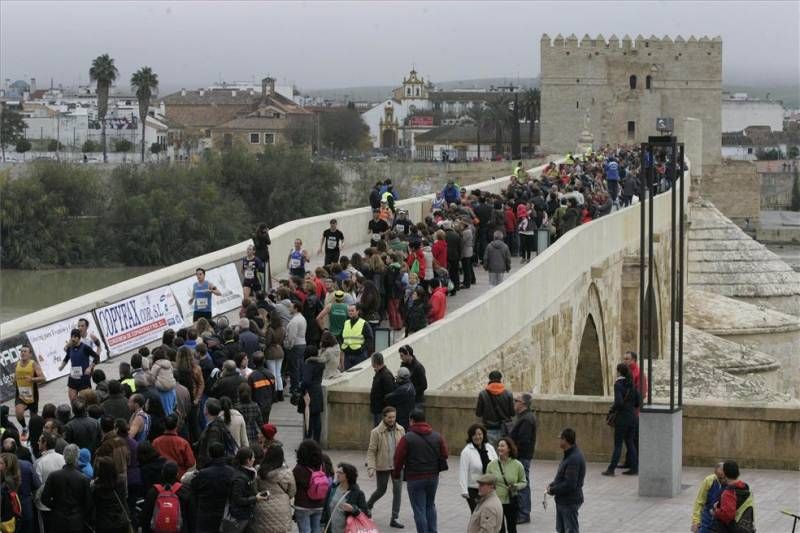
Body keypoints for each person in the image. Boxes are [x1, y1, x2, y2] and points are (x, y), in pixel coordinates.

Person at [393, 409, 448, 533]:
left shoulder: (407, 438)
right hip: (433, 477)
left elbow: (398, 458)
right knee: (430, 505)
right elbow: (444, 454)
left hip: (415, 478)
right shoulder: (437, 436)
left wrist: (396, 474)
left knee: (419, 509)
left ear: (412, 421)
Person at [366, 406, 405, 529]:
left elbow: (405, 449)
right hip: (383, 465)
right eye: (389, 417)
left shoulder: (401, 429)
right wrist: (371, 467)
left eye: (394, 417)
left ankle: (395, 518)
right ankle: (368, 506)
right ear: (384, 417)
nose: (392, 419)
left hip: (397, 466)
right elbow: (371, 451)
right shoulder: (376, 432)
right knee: (381, 490)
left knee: (398, 491)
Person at [40, 444, 92, 533]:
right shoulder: (83, 478)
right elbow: (88, 503)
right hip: (76, 520)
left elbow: (44, 498)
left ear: (64, 456)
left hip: (57, 519)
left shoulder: (54, 476)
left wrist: (55, 507)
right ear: (77, 457)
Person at [546, 428, 586, 533]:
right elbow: (563, 477)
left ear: (565, 440)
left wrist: (553, 490)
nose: (559, 441)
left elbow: (570, 484)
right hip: (563, 500)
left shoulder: (574, 458)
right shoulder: (569, 455)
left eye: (560, 439)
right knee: (561, 529)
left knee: (570, 530)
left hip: (569, 502)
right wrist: (552, 484)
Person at [602, 363, 638, 476]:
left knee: (618, 445)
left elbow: (618, 402)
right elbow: (638, 402)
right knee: (630, 443)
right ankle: (634, 468)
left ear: (619, 372)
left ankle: (611, 469)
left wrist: (613, 408)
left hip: (622, 419)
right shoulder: (631, 384)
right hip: (632, 417)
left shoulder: (618, 384)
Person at [191, 442, 235, 533]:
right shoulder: (231, 472)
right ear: (224, 453)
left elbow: (194, 487)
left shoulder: (203, 473)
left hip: (204, 511)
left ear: (210, 454)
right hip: (223, 511)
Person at [251, 445, 296, 533]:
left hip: (262, 507)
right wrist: (284, 497)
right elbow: (292, 492)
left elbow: (254, 488)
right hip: (282, 509)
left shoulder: (258, 470)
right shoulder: (287, 473)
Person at [486, 437, 526, 533]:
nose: (499, 448)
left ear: (509, 448)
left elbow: (524, 482)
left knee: (512, 528)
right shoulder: (491, 465)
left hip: (511, 501)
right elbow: (486, 482)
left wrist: (516, 486)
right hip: (496, 502)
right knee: (499, 529)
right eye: (498, 446)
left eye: (502, 446)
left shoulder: (517, 465)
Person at [139, 461, 191, 533]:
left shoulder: (153, 491)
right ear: (177, 474)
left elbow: (145, 515)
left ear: (162, 473)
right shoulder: (185, 492)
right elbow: (191, 516)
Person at [509, 393, 536, 524]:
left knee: (523, 485)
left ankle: (524, 514)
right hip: (521, 456)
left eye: (516, 400)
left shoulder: (526, 419)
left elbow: (523, 441)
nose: (514, 402)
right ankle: (520, 511)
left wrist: (513, 452)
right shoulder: (523, 417)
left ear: (523, 404)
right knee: (520, 484)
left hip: (522, 457)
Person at [320, 462, 370, 533]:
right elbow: (325, 507)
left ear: (348, 476)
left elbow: (366, 513)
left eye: (340, 473)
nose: (337, 474)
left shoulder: (357, 493)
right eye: (337, 472)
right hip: (330, 530)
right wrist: (322, 524)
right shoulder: (332, 489)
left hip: (349, 530)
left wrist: (353, 509)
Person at [459, 423, 498, 512]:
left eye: (480, 434)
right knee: (477, 514)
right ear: (471, 436)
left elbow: (496, 466)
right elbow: (463, 472)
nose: (477, 437)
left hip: (489, 488)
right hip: (474, 489)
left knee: (488, 514)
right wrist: (464, 490)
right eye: (474, 434)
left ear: (483, 435)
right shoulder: (467, 451)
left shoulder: (489, 448)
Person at [227, 447, 268, 530]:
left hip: (246, 512)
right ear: (247, 460)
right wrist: (255, 498)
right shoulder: (240, 478)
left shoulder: (247, 472)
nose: (254, 459)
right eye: (252, 457)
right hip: (241, 515)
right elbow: (238, 499)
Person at [293, 439, 327, 533]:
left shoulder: (298, 469)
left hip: (303, 506)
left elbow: (293, 487)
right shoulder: (321, 466)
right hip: (319, 505)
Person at [710, 461, 754, 533]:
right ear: (738, 473)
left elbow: (727, 515)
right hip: (745, 527)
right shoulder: (745, 487)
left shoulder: (728, 492)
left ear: (725, 474)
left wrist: (715, 511)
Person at [90, 456, 131, 533]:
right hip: (120, 522)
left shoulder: (96, 489)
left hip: (103, 524)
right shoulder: (120, 483)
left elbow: (92, 505)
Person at [59, 328, 100, 402]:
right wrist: (62, 366)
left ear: (79, 338)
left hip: (84, 379)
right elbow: (67, 357)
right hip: (73, 378)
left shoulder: (85, 348)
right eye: (72, 337)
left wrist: (90, 368)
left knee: (85, 402)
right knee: (73, 401)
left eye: (75, 337)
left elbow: (97, 357)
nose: (73, 339)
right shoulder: (70, 348)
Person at [14, 345, 45, 440]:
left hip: (32, 396)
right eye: (21, 351)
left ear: (30, 354)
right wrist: (13, 381)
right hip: (20, 395)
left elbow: (43, 378)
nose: (23, 353)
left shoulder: (33, 364)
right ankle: (24, 427)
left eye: (25, 351)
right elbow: (16, 377)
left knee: (34, 419)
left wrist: (32, 379)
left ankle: (35, 435)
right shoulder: (17, 364)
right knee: (19, 413)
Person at [475, 370, 514, 445]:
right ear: (500, 379)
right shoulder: (508, 394)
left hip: (488, 429)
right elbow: (512, 413)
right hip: (504, 430)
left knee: (490, 453)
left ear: (490, 379)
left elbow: (478, 414)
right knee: (502, 453)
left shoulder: (483, 394)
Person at [152, 414, 195, 479]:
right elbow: (191, 462)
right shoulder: (183, 443)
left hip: (160, 476)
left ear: (164, 426)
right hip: (179, 476)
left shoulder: (156, 442)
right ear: (176, 426)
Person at [691, 462, 725, 533]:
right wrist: (695, 521)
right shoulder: (709, 480)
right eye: (719, 476)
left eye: (723, 476)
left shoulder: (730, 483)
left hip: (722, 521)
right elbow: (699, 502)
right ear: (715, 473)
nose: (722, 479)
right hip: (707, 519)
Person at [299, 350, 324, 443]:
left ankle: (307, 441)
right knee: (317, 418)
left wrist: (302, 390)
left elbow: (306, 381)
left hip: (309, 393)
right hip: (318, 391)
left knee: (308, 418)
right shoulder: (321, 364)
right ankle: (316, 440)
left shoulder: (308, 365)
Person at [341, 304, 372, 370]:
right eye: (349, 311)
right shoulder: (346, 323)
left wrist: (363, 349)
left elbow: (369, 339)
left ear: (357, 311)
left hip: (359, 355)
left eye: (352, 310)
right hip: (347, 355)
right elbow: (342, 337)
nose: (350, 312)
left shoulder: (364, 323)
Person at [369, 352, 395, 427]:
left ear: (374, 362)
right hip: (377, 409)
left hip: (382, 410)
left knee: (382, 432)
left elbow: (389, 394)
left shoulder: (385, 375)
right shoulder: (380, 373)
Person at [253, 223, 272, 289]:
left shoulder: (255, 236)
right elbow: (269, 242)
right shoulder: (264, 235)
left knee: (257, 271)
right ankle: (265, 287)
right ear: (264, 229)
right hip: (264, 256)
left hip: (257, 256)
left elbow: (257, 246)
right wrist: (267, 233)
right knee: (264, 272)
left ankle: (258, 286)